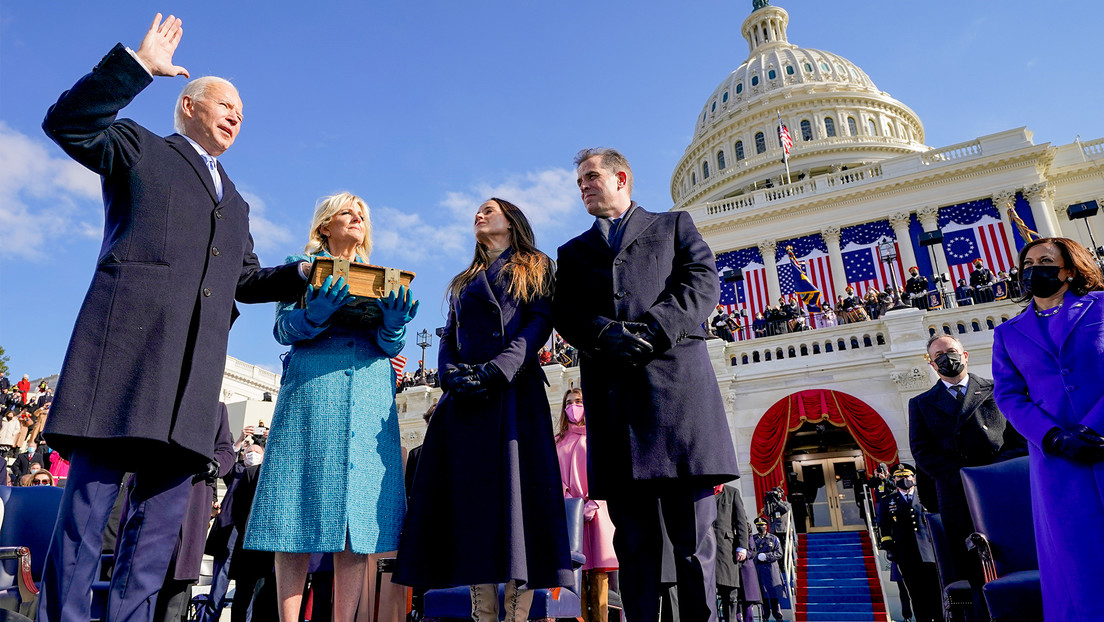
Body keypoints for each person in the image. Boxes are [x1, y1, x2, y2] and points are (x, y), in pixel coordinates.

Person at [37, 15, 307, 622]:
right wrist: (136, 67)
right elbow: (68, 123)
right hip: (125, 362)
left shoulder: (236, 201)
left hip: (191, 383)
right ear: (187, 104)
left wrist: (304, 273)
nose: (237, 116)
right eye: (226, 103)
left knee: (155, 538)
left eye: (243, 111)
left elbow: (245, 279)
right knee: (88, 521)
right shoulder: (137, 147)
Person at [552, 148, 739, 622]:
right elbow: (566, 312)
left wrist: (652, 331)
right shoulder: (571, 253)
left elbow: (701, 284)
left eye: (592, 177)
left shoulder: (674, 225)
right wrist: (606, 334)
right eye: (580, 182)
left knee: (694, 547)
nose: (584, 187)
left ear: (622, 178)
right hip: (616, 413)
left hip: (679, 405)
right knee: (633, 549)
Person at [395, 198, 573, 622]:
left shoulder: (537, 265)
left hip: (514, 395)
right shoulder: (464, 280)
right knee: (471, 502)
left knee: (519, 502)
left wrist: (498, 370)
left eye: (488, 210)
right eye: (477, 211)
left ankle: (517, 609)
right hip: (466, 403)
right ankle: (483, 609)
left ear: (510, 221)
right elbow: (448, 336)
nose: (479, 214)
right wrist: (449, 376)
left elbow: (538, 324)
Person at [244, 192, 416, 622]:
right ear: (324, 225)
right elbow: (283, 329)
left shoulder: (384, 277)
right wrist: (314, 314)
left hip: (370, 395)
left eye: (362, 214)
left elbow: (390, 344)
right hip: (311, 393)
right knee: (294, 509)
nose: (357, 218)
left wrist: (394, 327)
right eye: (347, 212)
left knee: (354, 521)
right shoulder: (298, 267)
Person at [991, 236, 1104, 621]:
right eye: (1027, 263)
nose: (1033, 269)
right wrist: (1052, 436)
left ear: (1069, 270)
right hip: (1057, 462)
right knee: (1076, 561)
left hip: (1102, 441)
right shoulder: (1007, 334)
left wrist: (1092, 428)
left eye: (1044, 261)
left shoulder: (1101, 307)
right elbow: (1009, 397)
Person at [908, 334, 1027, 585]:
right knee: (971, 571)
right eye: (938, 355)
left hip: (1003, 489)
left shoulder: (997, 390)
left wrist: (992, 473)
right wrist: (961, 476)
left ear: (965, 355)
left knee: (1016, 562)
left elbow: (1020, 439)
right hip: (957, 496)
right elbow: (921, 451)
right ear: (931, 364)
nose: (946, 358)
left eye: (950, 351)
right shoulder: (920, 404)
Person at [555, 388, 618, 622]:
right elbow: (554, 477)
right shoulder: (557, 441)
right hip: (570, 515)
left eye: (579, 401)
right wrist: (571, 502)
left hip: (598, 512)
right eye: (569, 402)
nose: (573, 406)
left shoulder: (598, 437)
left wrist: (595, 500)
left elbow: (607, 471)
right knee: (575, 574)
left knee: (600, 576)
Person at [877, 465, 940, 622]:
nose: (904, 480)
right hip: (905, 555)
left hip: (930, 553)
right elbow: (884, 528)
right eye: (899, 478)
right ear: (894, 480)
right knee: (916, 594)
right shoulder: (888, 501)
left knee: (935, 592)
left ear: (913, 478)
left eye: (907, 477)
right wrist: (889, 548)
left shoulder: (926, 497)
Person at [714, 485, 757, 622]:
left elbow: (741, 522)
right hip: (704, 549)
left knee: (730, 593)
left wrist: (742, 547)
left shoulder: (732, 492)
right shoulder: (701, 491)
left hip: (726, 550)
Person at [751, 517, 784, 622]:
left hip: (771, 569)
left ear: (766, 526)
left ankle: (778, 616)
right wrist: (757, 557)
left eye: (762, 525)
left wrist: (766, 556)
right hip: (759, 569)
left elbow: (779, 553)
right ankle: (765, 616)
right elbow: (750, 552)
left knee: (773, 593)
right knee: (762, 594)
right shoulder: (753, 539)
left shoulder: (773, 538)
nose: (760, 527)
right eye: (758, 525)